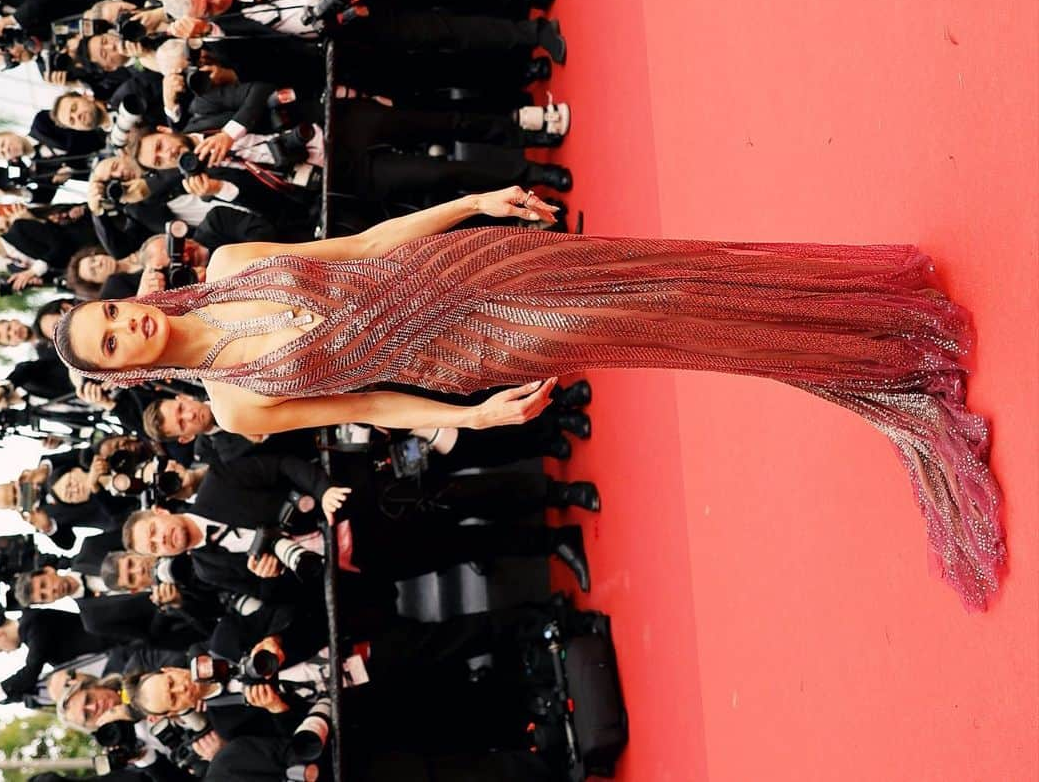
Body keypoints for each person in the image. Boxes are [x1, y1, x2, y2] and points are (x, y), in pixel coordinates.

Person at [55, 187, 1004, 611]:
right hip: (469, 346)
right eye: (109, 344)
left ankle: (875, 322)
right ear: (121, 372)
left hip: (460, 263)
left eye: (111, 313)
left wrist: (471, 202)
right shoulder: (234, 408)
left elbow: (368, 245)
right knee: (657, 320)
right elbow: (375, 408)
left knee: (651, 271)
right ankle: (877, 359)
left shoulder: (230, 261)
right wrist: (471, 417)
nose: (125, 327)